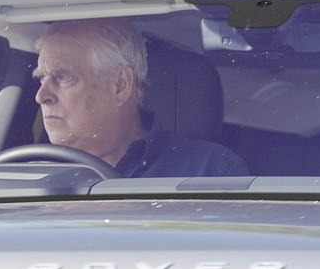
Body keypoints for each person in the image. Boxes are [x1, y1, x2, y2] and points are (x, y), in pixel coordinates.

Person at [32, 17, 248, 177]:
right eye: (41, 79)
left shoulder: (209, 171)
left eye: (62, 77)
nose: (41, 96)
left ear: (120, 85)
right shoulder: (29, 175)